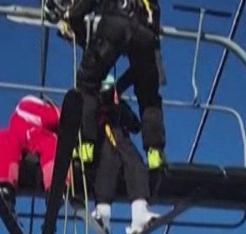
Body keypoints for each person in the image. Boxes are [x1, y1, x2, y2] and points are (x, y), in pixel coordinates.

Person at [54, 0, 166, 174]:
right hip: (144, 35)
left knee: (86, 84)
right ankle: (155, 153)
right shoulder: (151, 4)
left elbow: (81, 10)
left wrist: (74, 24)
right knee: (149, 96)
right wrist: (119, 87)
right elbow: (143, 64)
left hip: (113, 25)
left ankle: (85, 147)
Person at [87, 73, 156, 234]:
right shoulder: (92, 105)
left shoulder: (119, 106)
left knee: (136, 162)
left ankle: (139, 212)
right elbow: (85, 122)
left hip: (122, 145)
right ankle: (103, 211)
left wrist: (119, 108)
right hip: (101, 143)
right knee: (107, 161)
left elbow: (135, 126)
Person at [0, 94, 66, 212]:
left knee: (52, 145)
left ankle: (55, 186)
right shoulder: (29, 105)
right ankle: (4, 187)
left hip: (33, 139)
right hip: (25, 136)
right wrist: (61, 114)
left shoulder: (48, 135)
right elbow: (44, 116)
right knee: (1, 139)